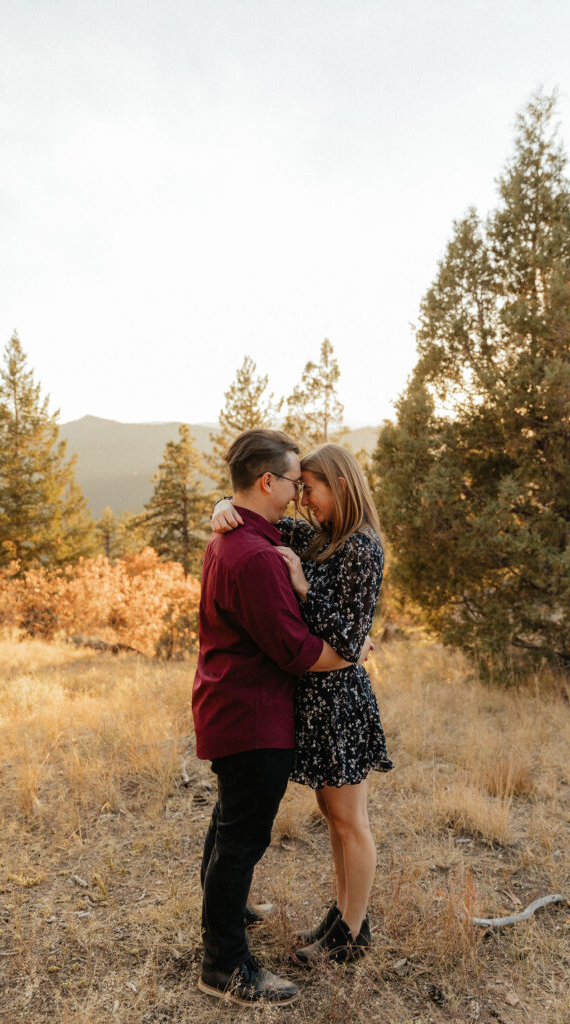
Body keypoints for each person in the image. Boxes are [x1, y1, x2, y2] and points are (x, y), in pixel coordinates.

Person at [192, 429, 371, 1007]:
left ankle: (259, 914)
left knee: (233, 824)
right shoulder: (259, 552)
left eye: (308, 486)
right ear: (267, 482)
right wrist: (348, 653)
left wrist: (226, 505)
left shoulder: (249, 538)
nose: (299, 496)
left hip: (258, 705)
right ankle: (225, 962)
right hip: (256, 712)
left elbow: (332, 624)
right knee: (241, 837)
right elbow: (297, 650)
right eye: (297, 483)